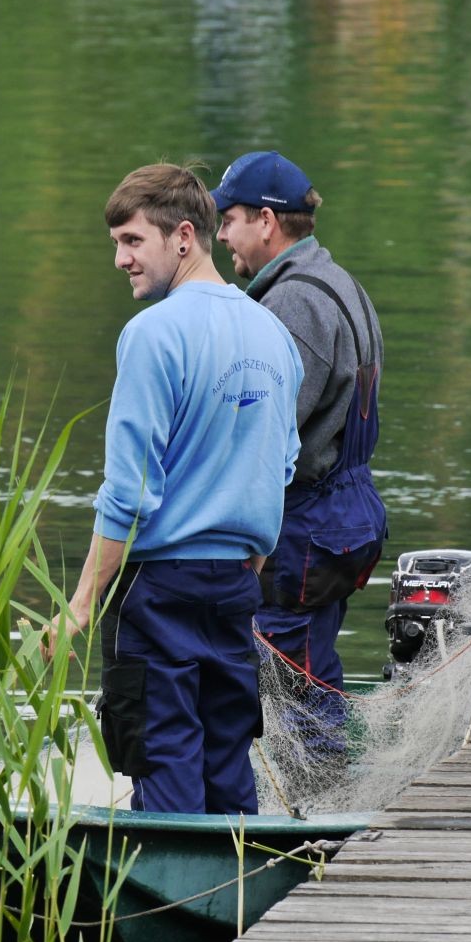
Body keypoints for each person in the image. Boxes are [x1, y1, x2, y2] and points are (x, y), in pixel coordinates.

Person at [50, 162, 303, 815]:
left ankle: (166, 903)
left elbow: (129, 493)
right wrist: (247, 558)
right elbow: (281, 465)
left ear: (184, 235)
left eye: (132, 241)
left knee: (162, 762)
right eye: (116, 242)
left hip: (157, 589)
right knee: (227, 767)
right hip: (234, 586)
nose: (119, 259)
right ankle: (239, 907)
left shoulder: (151, 335)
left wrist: (80, 604)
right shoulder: (273, 335)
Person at [211, 150, 388, 752]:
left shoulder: (292, 304)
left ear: (267, 220)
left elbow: (268, 435)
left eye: (228, 218)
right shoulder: (338, 282)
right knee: (310, 662)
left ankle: (317, 815)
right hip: (343, 515)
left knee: (294, 683)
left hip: (307, 526)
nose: (221, 235)